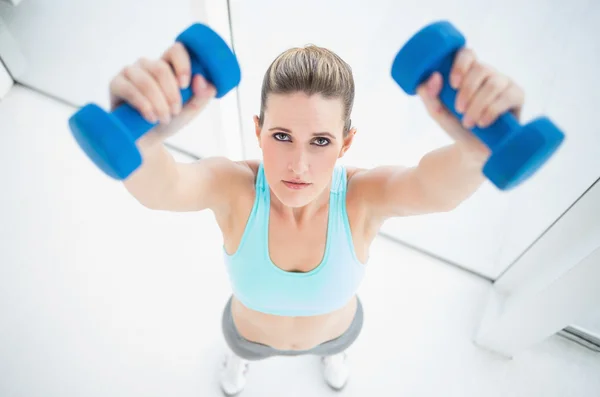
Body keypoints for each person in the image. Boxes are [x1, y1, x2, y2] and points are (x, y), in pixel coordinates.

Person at [109, 41, 524, 395]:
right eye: (282, 137)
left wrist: (474, 150)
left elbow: (431, 189)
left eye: (321, 141)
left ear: (346, 143)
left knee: (333, 345)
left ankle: (334, 356)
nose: (299, 166)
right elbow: (164, 190)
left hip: (336, 333)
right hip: (248, 336)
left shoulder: (363, 199)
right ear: (258, 131)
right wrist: (142, 142)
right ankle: (239, 363)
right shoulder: (233, 188)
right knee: (240, 352)